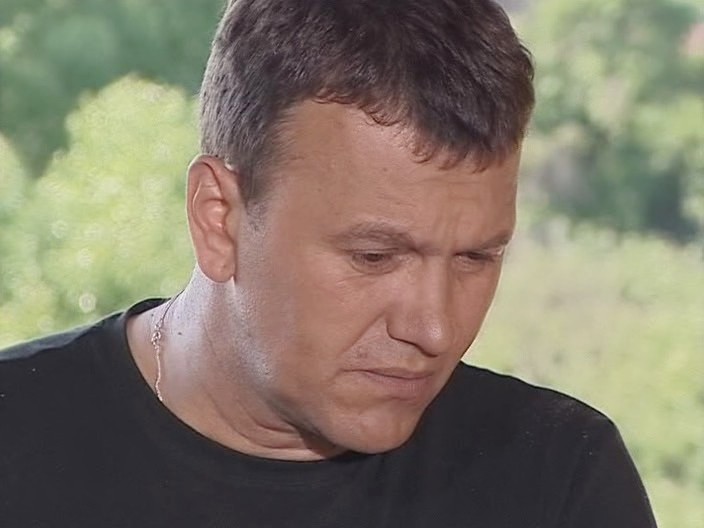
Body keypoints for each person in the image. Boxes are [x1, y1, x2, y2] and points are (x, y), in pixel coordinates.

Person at [0, 0, 657, 526]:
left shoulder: (558, 478)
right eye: (374, 256)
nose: (434, 329)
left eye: (475, 257)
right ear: (218, 218)